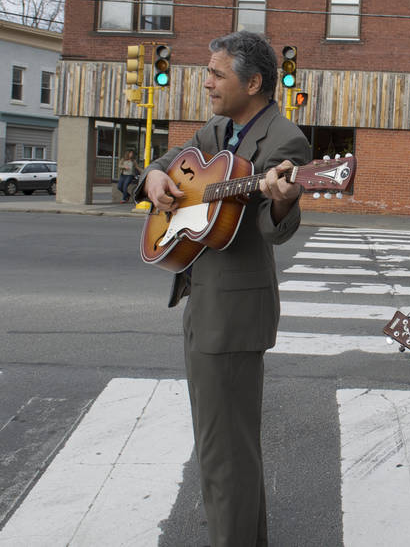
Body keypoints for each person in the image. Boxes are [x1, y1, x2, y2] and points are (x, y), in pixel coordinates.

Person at [134, 31, 311, 546]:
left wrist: (281, 199)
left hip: (234, 314)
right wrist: (154, 177)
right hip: (201, 301)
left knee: (225, 455)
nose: (206, 82)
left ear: (252, 83)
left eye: (216, 74)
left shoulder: (285, 140)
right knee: (221, 450)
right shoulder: (218, 128)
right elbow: (172, 161)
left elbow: (274, 230)